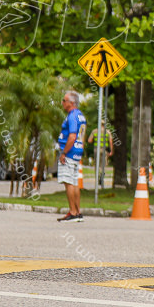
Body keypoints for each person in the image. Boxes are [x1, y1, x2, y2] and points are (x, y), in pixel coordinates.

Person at [56, 91, 87, 222]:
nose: (62, 103)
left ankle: (73, 212)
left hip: (69, 152)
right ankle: (77, 211)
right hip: (77, 151)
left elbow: (72, 136)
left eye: (64, 100)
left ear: (71, 103)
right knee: (74, 182)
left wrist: (64, 153)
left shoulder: (73, 116)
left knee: (68, 182)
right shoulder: (81, 116)